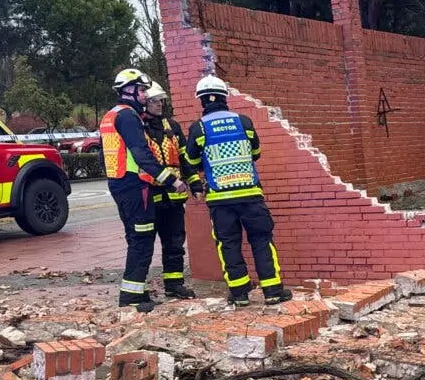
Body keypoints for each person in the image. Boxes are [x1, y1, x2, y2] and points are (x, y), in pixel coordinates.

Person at [184, 76, 290, 306]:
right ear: (225, 97)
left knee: (229, 245)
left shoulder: (198, 128)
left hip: (220, 200)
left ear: (202, 100)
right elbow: (256, 153)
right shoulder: (244, 122)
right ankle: (273, 291)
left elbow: (191, 160)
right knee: (262, 241)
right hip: (251, 195)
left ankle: (240, 294)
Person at [100, 68, 189, 313]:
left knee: (136, 238)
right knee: (142, 240)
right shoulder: (128, 117)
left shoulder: (111, 115)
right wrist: (171, 180)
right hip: (134, 186)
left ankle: (136, 292)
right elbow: (141, 153)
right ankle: (131, 298)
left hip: (120, 184)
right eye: (141, 90)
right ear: (129, 90)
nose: (144, 95)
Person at [141, 81, 198, 300]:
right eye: (154, 101)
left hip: (173, 198)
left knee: (174, 243)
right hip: (148, 197)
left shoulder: (172, 127)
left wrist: (195, 183)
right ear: (145, 103)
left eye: (161, 101)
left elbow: (184, 158)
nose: (159, 105)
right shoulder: (138, 128)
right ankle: (139, 288)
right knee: (144, 244)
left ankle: (174, 285)